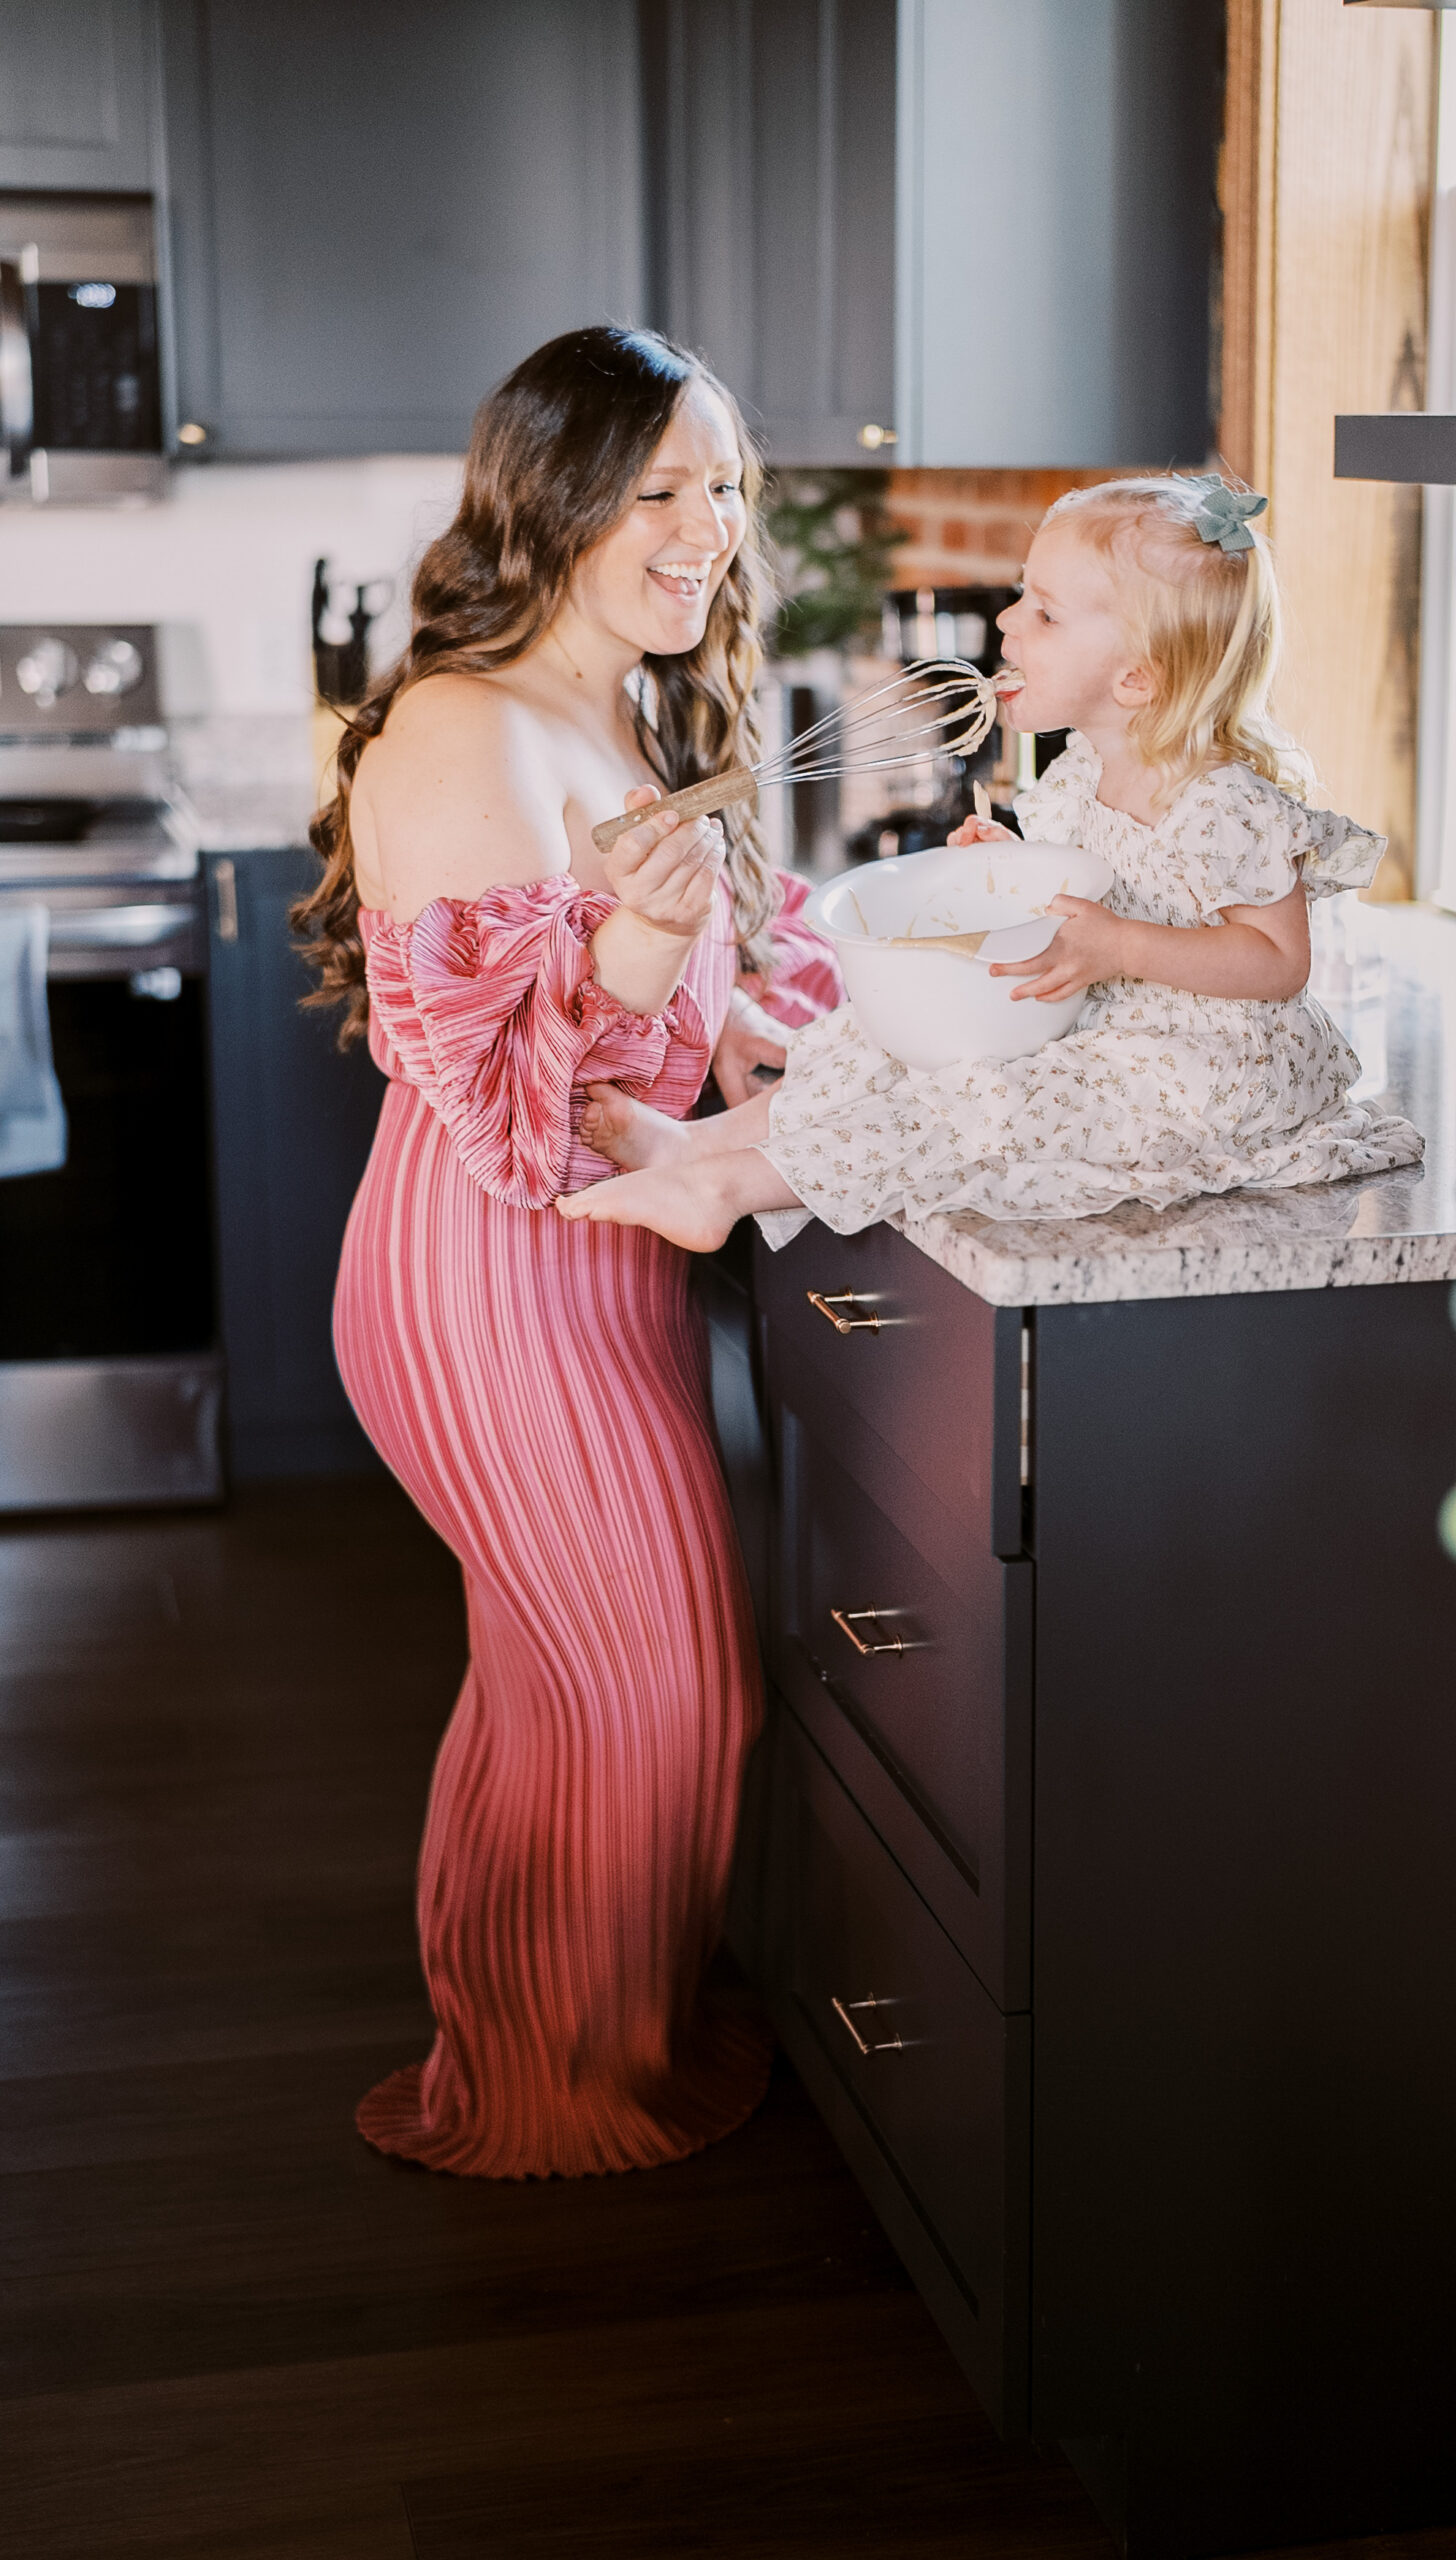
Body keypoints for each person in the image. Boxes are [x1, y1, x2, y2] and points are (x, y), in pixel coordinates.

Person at [293, 325, 839, 2179]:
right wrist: (627, 958)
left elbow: (650, 1028)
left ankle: (531, 2038)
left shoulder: (619, 710)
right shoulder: (461, 723)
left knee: (560, 1678)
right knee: (661, 1682)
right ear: (553, 497)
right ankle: (564, 2090)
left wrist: (741, 1009)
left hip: (592, 1268)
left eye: (724, 485)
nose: (709, 528)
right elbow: (472, 1077)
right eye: (660, 487)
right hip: (489, 1276)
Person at [557, 473, 1424, 1253]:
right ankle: (702, 1143)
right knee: (872, 1040)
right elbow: (1098, 887)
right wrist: (1013, 873)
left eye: (1043, 613)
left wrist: (1120, 947)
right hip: (1109, 1025)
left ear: (1135, 679)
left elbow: (1277, 964)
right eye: (1022, 596)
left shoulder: (1225, 803)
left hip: (1205, 1073)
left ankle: (727, 1188)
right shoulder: (1083, 766)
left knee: (982, 1103)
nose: (1007, 622)